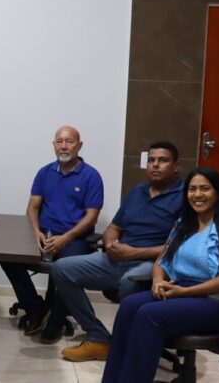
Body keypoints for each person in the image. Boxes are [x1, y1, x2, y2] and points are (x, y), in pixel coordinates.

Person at [102, 167, 219, 383]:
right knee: (129, 306)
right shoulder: (184, 224)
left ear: (218, 193)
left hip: (217, 301)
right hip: (180, 290)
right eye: (192, 189)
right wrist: (158, 280)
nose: (197, 194)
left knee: (149, 314)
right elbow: (162, 260)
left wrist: (184, 292)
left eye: (205, 188)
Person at [54, 141, 183, 361]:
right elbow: (114, 227)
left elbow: (176, 247)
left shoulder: (184, 197)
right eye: (151, 160)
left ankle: (129, 342)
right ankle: (98, 337)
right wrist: (111, 243)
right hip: (116, 258)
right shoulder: (137, 191)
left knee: (130, 281)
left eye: (163, 160)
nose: (155, 165)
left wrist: (133, 253)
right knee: (62, 268)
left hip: (152, 264)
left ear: (176, 166)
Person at [0, 125, 104, 343]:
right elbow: (33, 207)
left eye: (69, 141)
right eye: (59, 141)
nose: (63, 146)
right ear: (54, 145)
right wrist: (36, 232)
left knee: (67, 268)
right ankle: (35, 309)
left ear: (79, 145)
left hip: (74, 238)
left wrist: (65, 238)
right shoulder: (44, 172)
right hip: (44, 234)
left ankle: (55, 321)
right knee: (8, 258)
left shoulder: (91, 176)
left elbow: (92, 217)